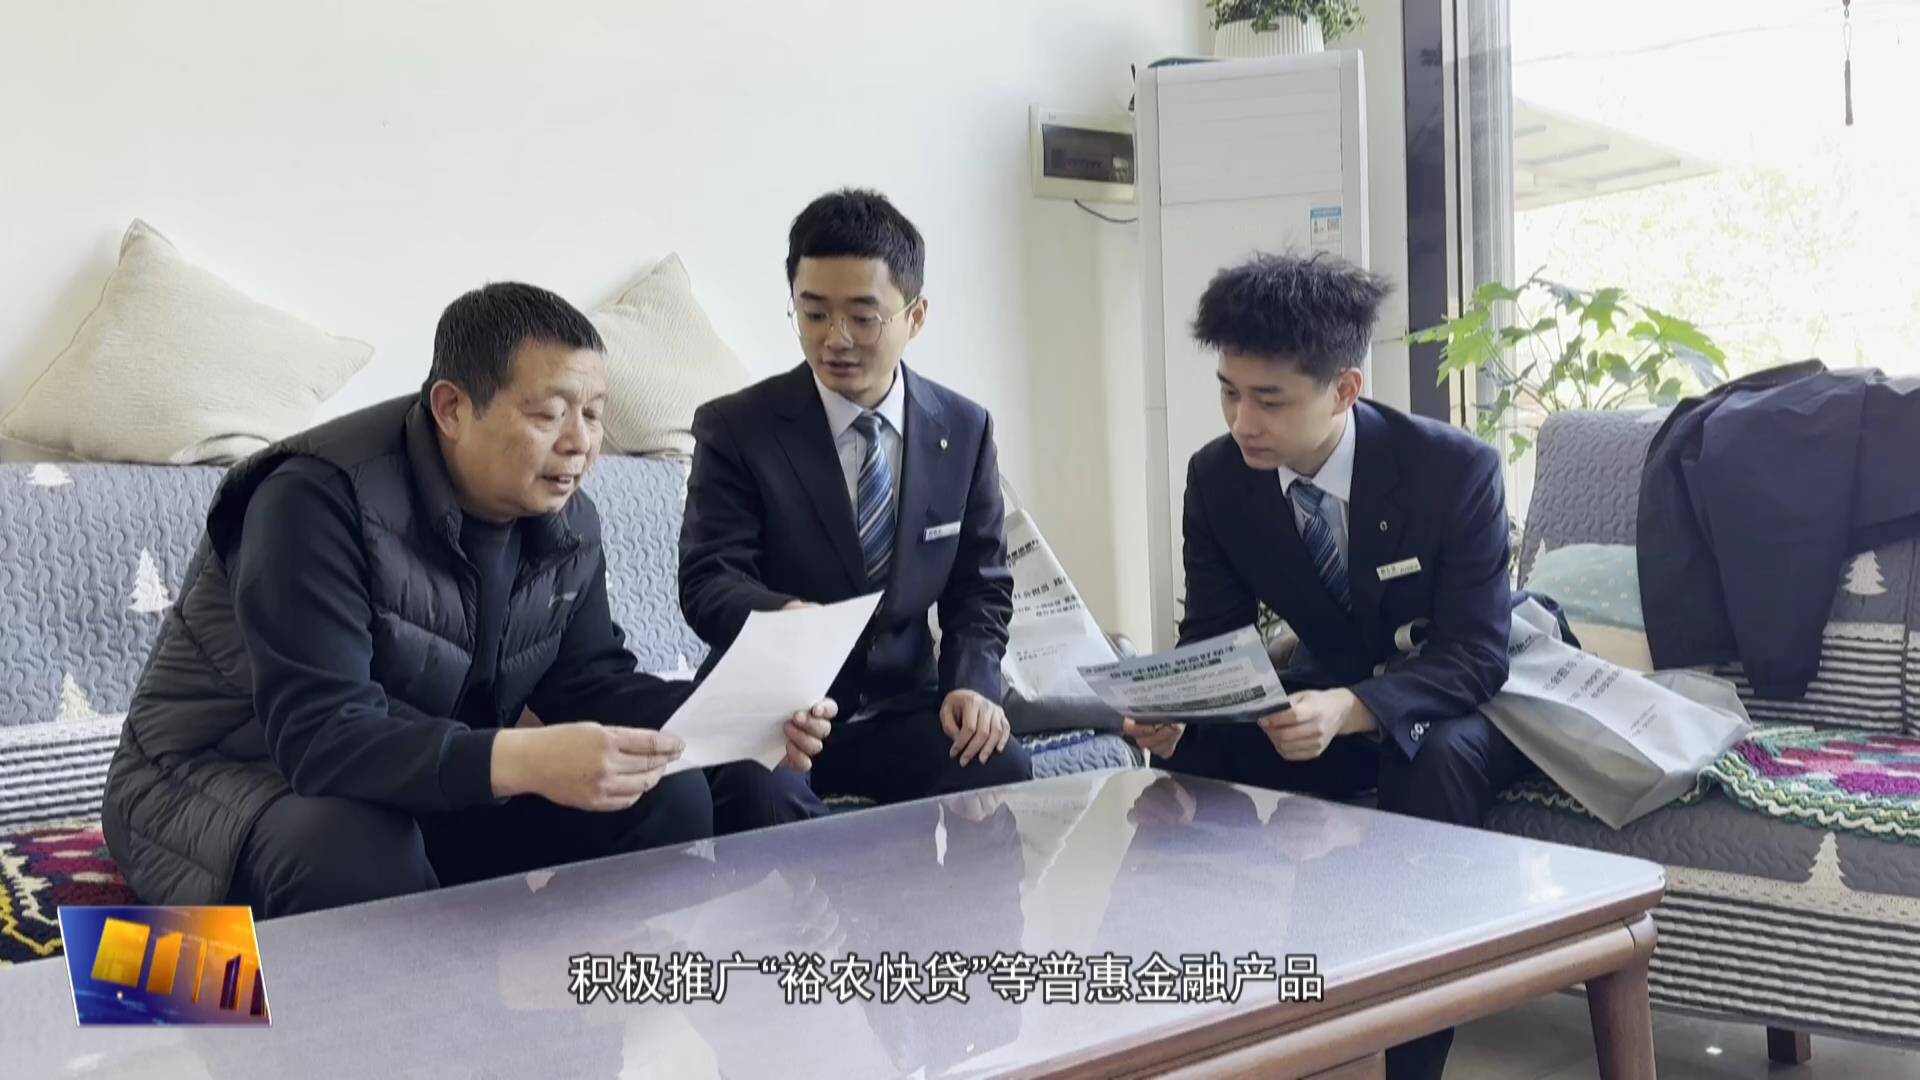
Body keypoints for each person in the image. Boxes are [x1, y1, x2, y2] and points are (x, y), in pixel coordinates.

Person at [103, 283, 832, 919]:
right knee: (357, 852)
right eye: (549, 414)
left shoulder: (565, 516)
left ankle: (539, 993)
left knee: (664, 796)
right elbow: (320, 737)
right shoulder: (314, 499)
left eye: (593, 414)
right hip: (219, 783)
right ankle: (144, 981)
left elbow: (589, 681)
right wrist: (523, 758)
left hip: (410, 778)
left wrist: (744, 712)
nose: (580, 444)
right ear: (452, 408)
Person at [1124, 253, 1532, 1080]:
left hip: (1465, 700)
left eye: (1269, 400)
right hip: (1331, 687)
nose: (1242, 420)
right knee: (1197, 757)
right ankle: (1208, 1028)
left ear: (1345, 389)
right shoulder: (1218, 480)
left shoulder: (1453, 470)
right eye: (1229, 393)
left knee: (1431, 755)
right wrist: (1180, 713)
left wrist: (1351, 707)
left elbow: (1477, 653)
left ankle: (1410, 1060)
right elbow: (1218, 640)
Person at [679, 188, 1028, 805]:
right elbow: (709, 580)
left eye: (863, 317)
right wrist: (786, 619)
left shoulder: (964, 429)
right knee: (761, 796)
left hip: (903, 706)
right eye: (813, 314)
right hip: (777, 712)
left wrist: (973, 683)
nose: (835, 339)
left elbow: (980, 585)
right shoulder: (737, 429)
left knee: (997, 765)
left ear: (915, 316)